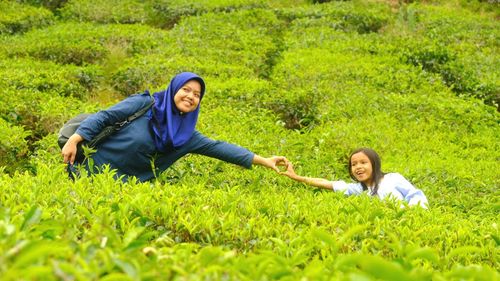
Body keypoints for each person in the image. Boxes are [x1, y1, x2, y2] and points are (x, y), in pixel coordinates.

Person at [61, 72, 286, 182]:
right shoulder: (145, 104)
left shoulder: (186, 136)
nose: (190, 96)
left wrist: (264, 160)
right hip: (84, 174)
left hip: (122, 191)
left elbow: (220, 148)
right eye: (186, 90)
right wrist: (75, 139)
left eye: (197, 95)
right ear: (174, 89)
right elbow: (105, 117)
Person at [281, 147, 429, 208]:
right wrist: (297, 177)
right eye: (354, 164)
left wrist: (414, 213)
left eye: (363, 162)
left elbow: (415, 195)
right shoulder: (358, 189)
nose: (358, 167)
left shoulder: (393, 178)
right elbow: (326, 183)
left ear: (374, 164)